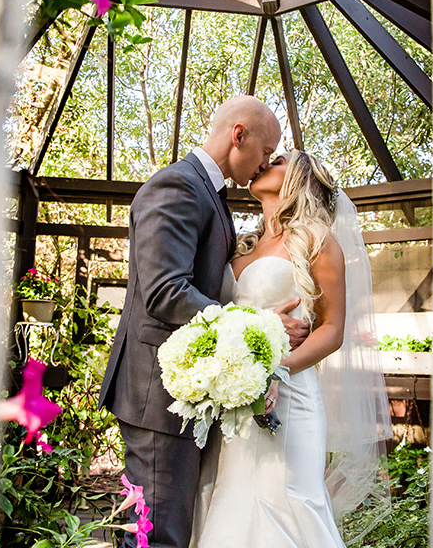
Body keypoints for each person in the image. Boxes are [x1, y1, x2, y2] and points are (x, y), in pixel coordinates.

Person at [98, 96, 310, 548]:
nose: (265, 163)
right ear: (239, 135)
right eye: (265, 150)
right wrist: (254, 324)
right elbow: (164, 292)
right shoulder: (177, 187)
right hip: (155, 395)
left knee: (173, 530)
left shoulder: (209, 193)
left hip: (185, 394)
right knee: (159, 536)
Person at [190, 151, 393, 548]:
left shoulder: (318, 241)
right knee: (227, 504)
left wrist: (276, 370)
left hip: (288, 399)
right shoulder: (241, 245)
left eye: (278, 160)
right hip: (230, 404)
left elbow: (332, 329)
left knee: (285, 506)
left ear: (300, 177)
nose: (263, 162)